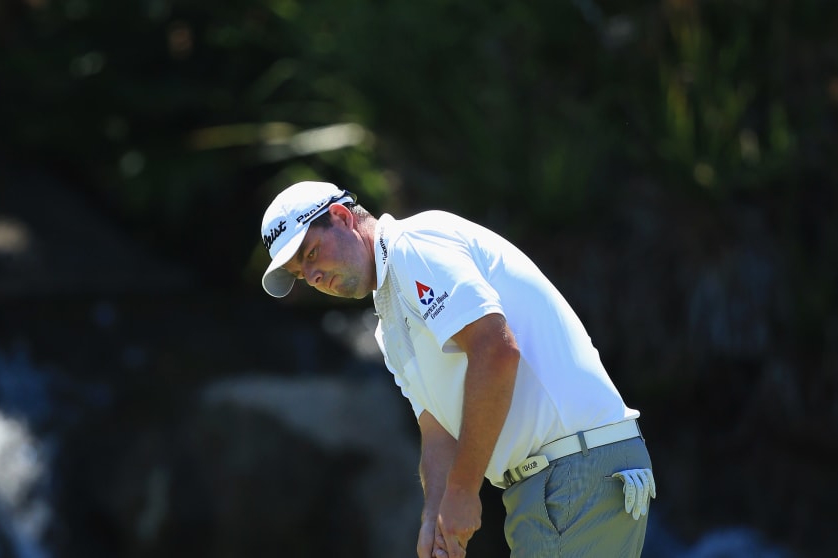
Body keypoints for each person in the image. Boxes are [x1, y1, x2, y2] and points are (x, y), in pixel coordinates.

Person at [259, 181, 656, 557]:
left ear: (343, 218)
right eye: (299, 273)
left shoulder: (413, 245)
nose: (312, 276)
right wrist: (435, 516)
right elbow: (437, 430)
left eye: (311, 253)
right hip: (557, 479)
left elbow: (496, 352)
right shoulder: (389, 325)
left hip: (573, 471)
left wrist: (464, 491)